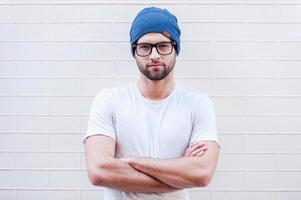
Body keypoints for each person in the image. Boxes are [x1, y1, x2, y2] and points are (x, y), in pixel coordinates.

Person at [83, 7, 220, 200]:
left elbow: (202, 173)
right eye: (145, 47)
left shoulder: (197, 104)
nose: (154, 55)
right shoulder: (109, 100)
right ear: (134, 51)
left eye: (163, 45)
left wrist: (131, 162)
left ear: (176, 48)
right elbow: (98, 171)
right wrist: (179, 173)